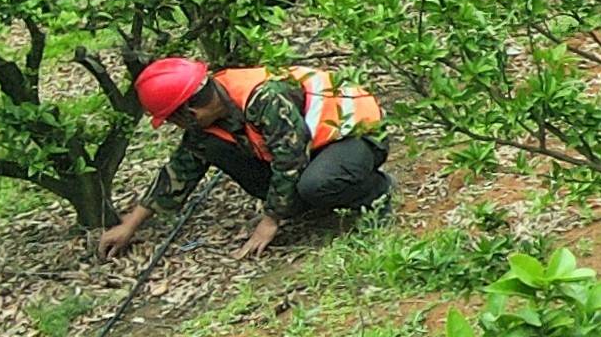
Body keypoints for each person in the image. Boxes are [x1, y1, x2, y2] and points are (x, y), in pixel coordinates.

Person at [98, 59, 392, 263]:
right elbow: (180, 170)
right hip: (314, 146)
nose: (177, 126)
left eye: (174, 119)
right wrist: (130, 225)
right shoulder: (209, 122)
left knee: (317, 185)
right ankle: (312, 199)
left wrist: (270, 221)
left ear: (189, 112)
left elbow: (291, 157)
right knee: (219, 151)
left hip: (355, 133)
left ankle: (377, 192)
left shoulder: (264, 98)